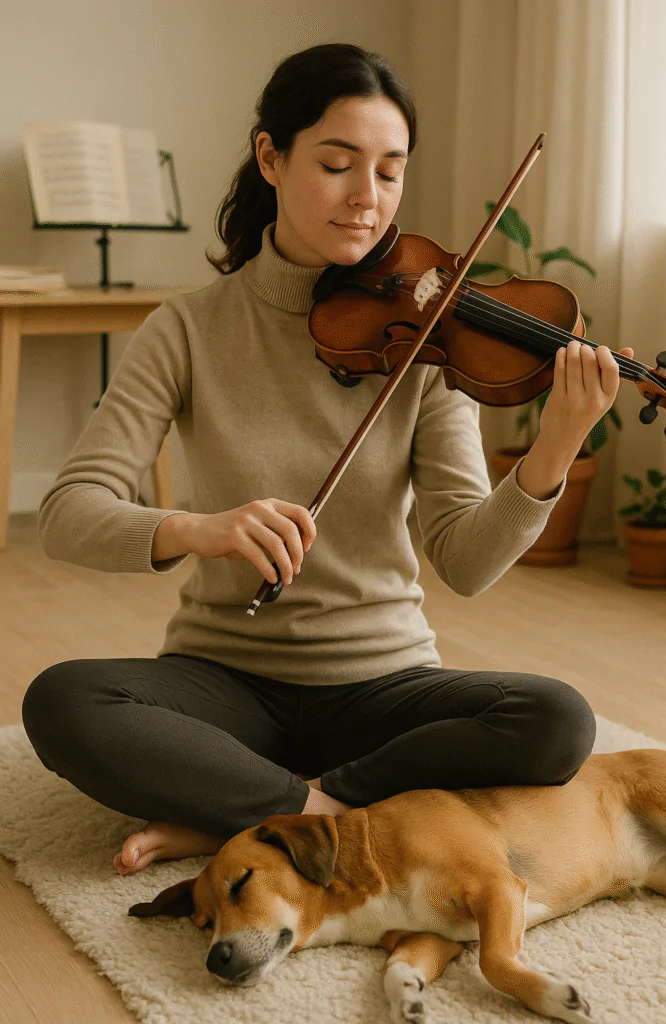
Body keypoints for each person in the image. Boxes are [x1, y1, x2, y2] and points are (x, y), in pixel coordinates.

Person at [22, 42, 627, 879]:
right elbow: (68, 513)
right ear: (270, 157)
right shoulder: (191, 327)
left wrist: (556, 444)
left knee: (556, 719)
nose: (366, 200)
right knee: (63, 700)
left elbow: (466, 560)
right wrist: (199, 528)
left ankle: (265, 811)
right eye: (338, 165)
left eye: (389, 172)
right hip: (223, 680)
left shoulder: (429, 335)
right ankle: (312, 807)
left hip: (382, 685)